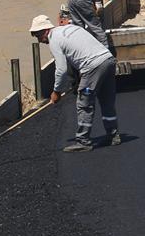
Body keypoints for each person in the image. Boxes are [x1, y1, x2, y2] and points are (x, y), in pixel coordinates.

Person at [29, 14, 120, 152]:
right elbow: (76, 55)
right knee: (106, 100)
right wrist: (77, 81)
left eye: (38, 36)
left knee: (84, 102)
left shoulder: (54, 39)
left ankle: (83, 141)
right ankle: (113, 135)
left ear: (45, 31)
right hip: (107, 60)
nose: (40, 40)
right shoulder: (70, 28)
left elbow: (61, 70)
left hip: (92, 67)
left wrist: (56, 92)